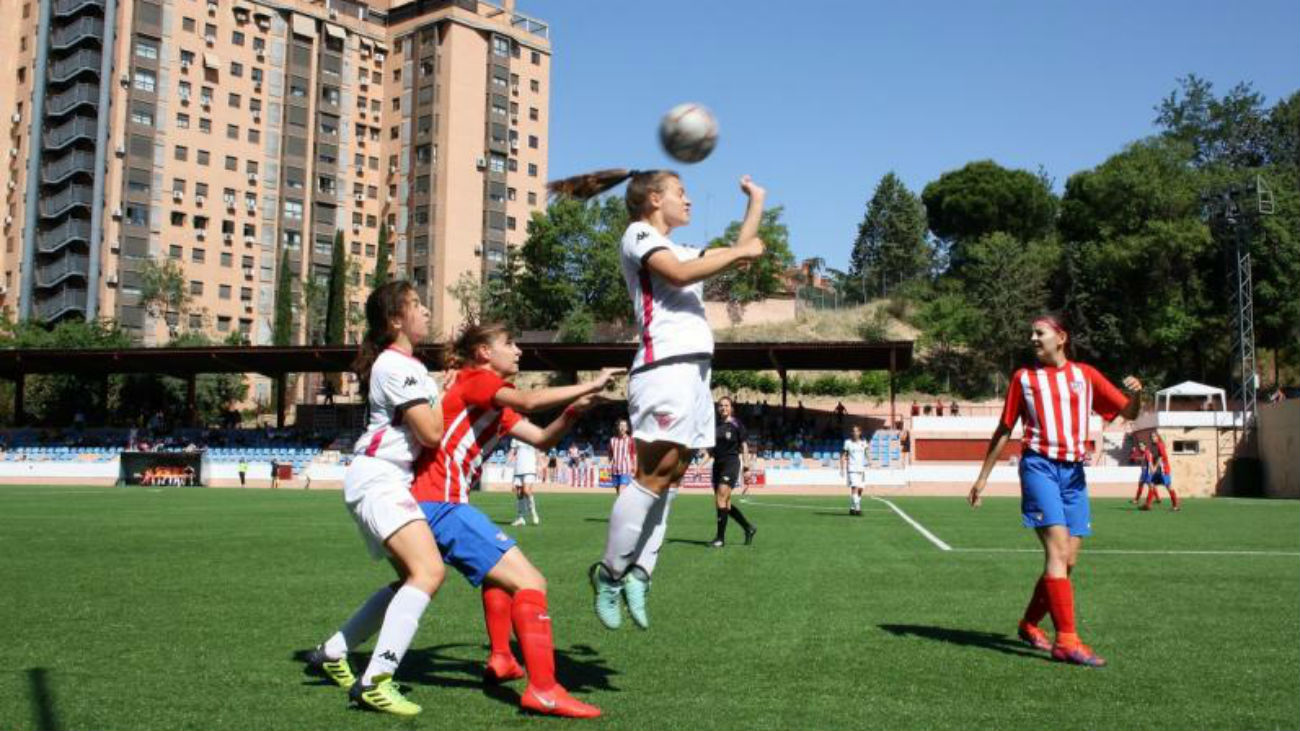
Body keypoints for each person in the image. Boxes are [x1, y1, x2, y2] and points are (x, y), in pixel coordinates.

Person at [548, 168, 766, 631]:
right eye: (680, 193)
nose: (688, 201)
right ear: (652, 199)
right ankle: (608, 573)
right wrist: (740, 251)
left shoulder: (679, 247)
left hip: (692, 373)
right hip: (662, 368)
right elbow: (681, 272)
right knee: (651, 476)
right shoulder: (639, 234)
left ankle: (640, 573)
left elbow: (734, 258)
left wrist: (755, 203)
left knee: (672, 478)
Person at [410, 323, 619, 719]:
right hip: (440, 503)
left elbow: (541, 439)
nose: (519, 351)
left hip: (436, 503)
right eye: (510, 343)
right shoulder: (477, 380)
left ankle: (502, 658)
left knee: (499, 576)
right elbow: (530, 400)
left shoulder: (489, 401)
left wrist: (575, 411)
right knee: (531, 581)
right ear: (485, 353)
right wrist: (588, 386)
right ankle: (543, 690)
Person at [303, 281, 448, 717]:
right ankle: (376, 679)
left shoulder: (405, 365)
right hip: (380, 478)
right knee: (429, 571)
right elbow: (433, 433)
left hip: (381, 478)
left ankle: (334, 652)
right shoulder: (397, 366)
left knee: (411, 578)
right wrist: (443, 393)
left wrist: (438, 386)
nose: (425, 311)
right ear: (396, 320)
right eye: (417, 305)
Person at [968, 313, 1142, 667]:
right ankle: (1067, 641)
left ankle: (1029, 624)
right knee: (1058, 551)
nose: (1032, 338)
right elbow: (1004, 428)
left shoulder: (1085, 375)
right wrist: (982, 477)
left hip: (1074, 474)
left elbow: (1127, 412)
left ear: (1060, 337)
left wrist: (1138, 395)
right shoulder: (1024, 378)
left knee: (1069, 560)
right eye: (1031, 333)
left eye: (1039, 333)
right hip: (1039, 467)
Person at [709, 395, 755, 548]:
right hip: (717, 465)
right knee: (725, 504)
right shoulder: (715, 426)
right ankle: (748, 528)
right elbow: (711, 450)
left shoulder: (736, 424)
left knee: (720, 498)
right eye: (721, 405)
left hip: (731, 463)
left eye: (726, 405)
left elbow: (744, 446)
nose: (723, 408)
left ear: (731, 408)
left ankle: (720, 539)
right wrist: (700, 465)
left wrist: (747, 468)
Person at [1144, 433, 1180, 512]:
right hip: (1157, 470)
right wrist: (1152, 466)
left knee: (1168, 486)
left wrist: (1154, 467)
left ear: (1157, 437)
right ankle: (1148, 505)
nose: (1152, 438)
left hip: (1163, 469)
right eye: (1151, 437)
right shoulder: (1152, 446)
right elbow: (1151, 457)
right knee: (1151, 485)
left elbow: (1161, 457)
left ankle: (1175, 505)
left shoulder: (1160, 445)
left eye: (1154, 436)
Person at [510, 439, 540, 526]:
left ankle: (533, 513)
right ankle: (520, 518)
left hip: (529, 467)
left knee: (526, 490)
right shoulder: (515, 439)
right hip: (519, 468)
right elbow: (513, 452)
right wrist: (506, 464)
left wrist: (539, 465)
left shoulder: (532, 436)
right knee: (519, 493)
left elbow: (537, 452)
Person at [841, 424, 869, 516]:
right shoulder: (847, 442)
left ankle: (852, 508)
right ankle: (858, 508)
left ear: (860, 432)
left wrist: (870, 461)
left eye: (856, 431)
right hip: (852, 468)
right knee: (854, 487)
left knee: (861, 489)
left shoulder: (864, 442)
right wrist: (841, 468)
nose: (854, 432)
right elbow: (843, 455)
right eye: (853, 431)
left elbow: (867, 453)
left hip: (861, 469)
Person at [608, 418, 635, 495]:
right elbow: (610, 454)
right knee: (618, 492)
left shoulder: (630, 440)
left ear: (627, 428)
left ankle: (623, 506)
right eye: (621, 425)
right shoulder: (612, 440)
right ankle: (625, 505)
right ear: (618, 427)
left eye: (624, 426)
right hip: (615, 469)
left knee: (621, 490)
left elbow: (634, 455)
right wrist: (609, 464)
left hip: (626, 469)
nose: (622, 427)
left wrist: (634, 467)